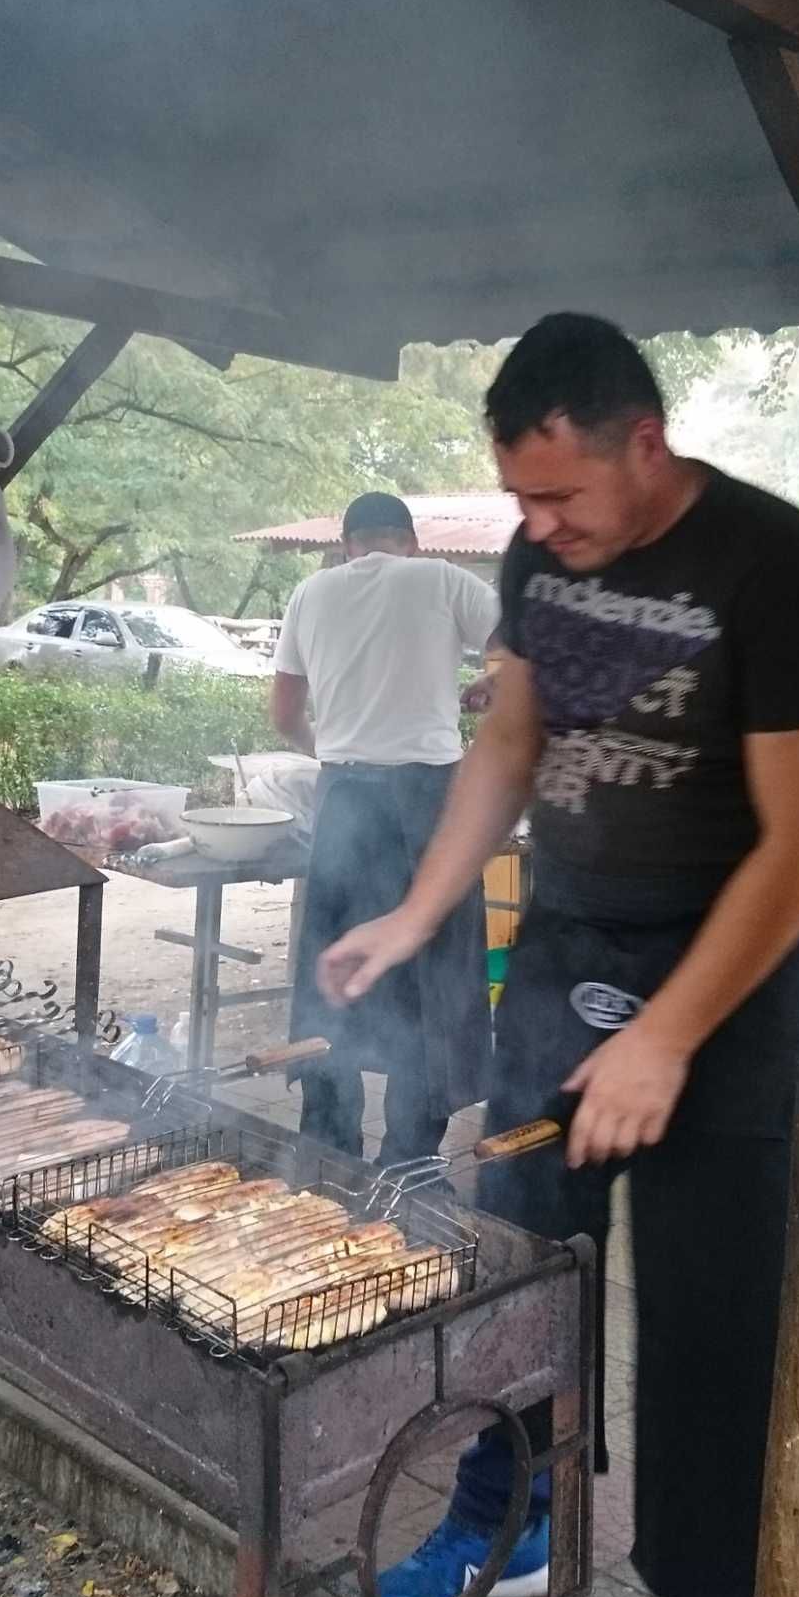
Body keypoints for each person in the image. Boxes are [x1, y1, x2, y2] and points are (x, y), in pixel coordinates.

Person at [317, 316, 799, 1597]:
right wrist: (420, 912)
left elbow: (797, 848)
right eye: (523, 506)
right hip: (564, 948)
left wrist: (669, 1033)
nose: (541, 535)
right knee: (512, 1264)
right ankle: (516, 1505)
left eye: (563, 499)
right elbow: (512, 740)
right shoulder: (540, 563)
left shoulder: (778, 568)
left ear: (645, 441)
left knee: (709, 1327)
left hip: (729, 983)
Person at [275, 492, 498, 1167]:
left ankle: (328, 1146)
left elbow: (285, 713)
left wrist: (335, 752)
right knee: (434, 975)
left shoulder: (310, 594)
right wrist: (490, 683)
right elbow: (525, 655)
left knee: (333, 969)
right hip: (427, 797)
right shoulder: (443, 580)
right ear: (412, 541)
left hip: (343, 795)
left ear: (348, 544)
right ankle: (408, 1158)